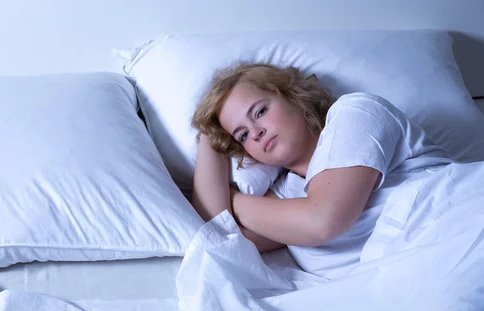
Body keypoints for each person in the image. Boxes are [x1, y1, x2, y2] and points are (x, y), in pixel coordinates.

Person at [192, 62, 452, 278]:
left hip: (453, 235)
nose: (257, 133)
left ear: (293, 96)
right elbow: (221, 237)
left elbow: (322, 221)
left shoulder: (356, 114)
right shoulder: (284, 195)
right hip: (402, 292)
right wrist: (210, 136)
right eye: (243, 134)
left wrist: (234, 200)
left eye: (260, 111)